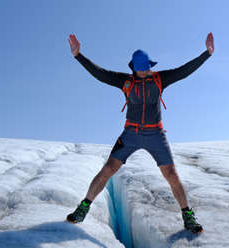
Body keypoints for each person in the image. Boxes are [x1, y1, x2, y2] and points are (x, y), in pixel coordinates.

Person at [66, 33, 214, 234]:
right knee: (108, 168)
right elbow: (100, 73)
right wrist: (78, 55)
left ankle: (188, 215)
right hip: (130, 134)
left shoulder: (160, 79)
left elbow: (183, 71)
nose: (145, 72)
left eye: (147, 68)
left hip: (156, 135)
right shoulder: (125, 82)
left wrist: (206, 54)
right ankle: (83, 207)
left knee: (171, 174)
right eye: (141, 69)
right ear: (134, 68)